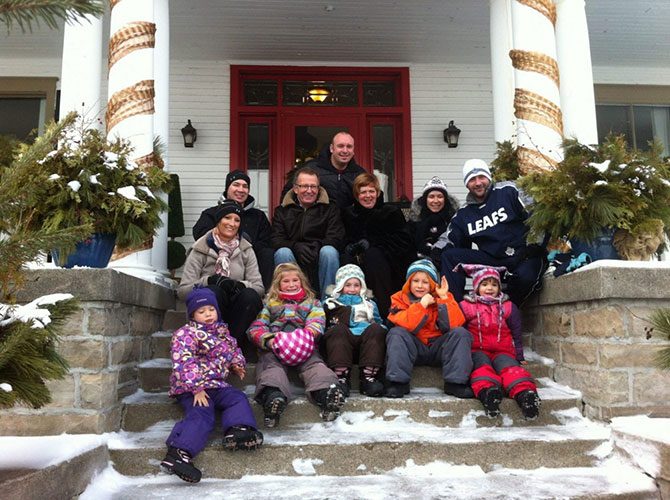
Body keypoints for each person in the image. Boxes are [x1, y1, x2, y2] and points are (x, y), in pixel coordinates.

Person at [161, 287, 263, 484]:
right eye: (201, 311)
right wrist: (197, 388)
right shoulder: (185, 334)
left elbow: (233, 349)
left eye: (211, 309)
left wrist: (237, 365)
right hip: (191, 387)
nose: (208, 314)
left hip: (216, 384)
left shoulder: (222, 332)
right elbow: (183, 362)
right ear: (192, 315)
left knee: (237, 398)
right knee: (202, 412)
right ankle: (179, 452)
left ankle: (238, 429)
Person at [432, 159, 546, 305]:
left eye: (481, 177)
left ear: (489, 177)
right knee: (449, 256)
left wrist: (535, 244)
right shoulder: (464, 214)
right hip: (493, 260)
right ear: (467, 184)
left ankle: (508, 311)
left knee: (526, 278)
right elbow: (450, 237)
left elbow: (537, 214)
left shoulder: (509, 191)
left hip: (524, 255)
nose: (478, 183)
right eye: (472, 179)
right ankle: (457, 311)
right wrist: (437, 250)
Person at [247, 263, 347, 427]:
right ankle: (273, 397)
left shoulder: (312, 303)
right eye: (286, 281)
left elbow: (317, 321)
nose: (292, 284)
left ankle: (326, 394)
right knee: (270, 367)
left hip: (304, 347)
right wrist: (269, 340)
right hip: (276, 347)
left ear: (302, 282)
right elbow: (257, 327)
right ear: (278, 284)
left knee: (316, 367)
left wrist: (308, 335)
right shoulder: (270, 305)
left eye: (295, 280)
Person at [178, 200, 264, 356]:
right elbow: (183, 291)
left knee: (250, 296)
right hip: (210, 312)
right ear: (218, 220)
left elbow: (259, 288)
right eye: (227, 218)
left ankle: (232, 348)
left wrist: (240, 285)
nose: (232, 223)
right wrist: (208, 281)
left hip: (239, 313)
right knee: (212, 292)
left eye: (237, 220)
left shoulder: (246, 249)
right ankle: (213, 346)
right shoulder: (200, 248)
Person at [456, 264, 541, 420]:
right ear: (476, 287)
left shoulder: (508, 307)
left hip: (503, 350)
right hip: (477, 350)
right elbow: (458, 330)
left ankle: (526, 396)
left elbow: (516, 332)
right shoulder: (467, 306)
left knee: (511, 368)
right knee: (481, 367)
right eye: (485, 284)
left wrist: (519, 356)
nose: (490, 288)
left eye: (494, 284)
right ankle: (488, 394)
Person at [384, 259, 474, 399]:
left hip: (438, 347)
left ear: (432, 284)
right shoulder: (398, 299)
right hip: (414, 346)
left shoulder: (444, 296)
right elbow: (408, 325)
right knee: (396, 333)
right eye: (415, 281)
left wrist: (443, 298)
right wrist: (422, 305)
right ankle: (398, 382)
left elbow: (454, 325)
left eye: (425, 282)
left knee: (460, 333)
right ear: (409, 283)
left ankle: (456, 383)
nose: (420, 286)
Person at [341, 172, 415, 318]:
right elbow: (344, 238)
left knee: (373, 256)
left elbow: (402, 241)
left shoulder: (390, 212)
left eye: (371, 191)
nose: (368, 196)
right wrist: (351, 246)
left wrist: (372, 244)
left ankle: (385, 312)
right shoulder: (349, 214)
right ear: (356, 195)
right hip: (357, 262)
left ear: (378, 192)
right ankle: (347, 312)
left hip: (388, 262)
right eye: (363, 192)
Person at [192, 170, 274, 288]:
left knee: (267, 253)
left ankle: (262, 293)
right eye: (236, 185)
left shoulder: (258, 216)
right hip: (218, 257)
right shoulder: (210, 213)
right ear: (227, 188)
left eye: (245, 186)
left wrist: (244, 250)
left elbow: (266, 240)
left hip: (250, 259)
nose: (241, 189)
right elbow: (200, 235)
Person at [272, 166, 344, 298]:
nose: (309, 191)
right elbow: (276, 239)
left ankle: (329, 303)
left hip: (320, 258)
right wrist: (295, 246)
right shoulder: (282, 211)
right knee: (282, 252)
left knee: (329, 251)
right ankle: (290, 301)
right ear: (295, 189)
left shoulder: (330, 209)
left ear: (318, 188)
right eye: (304, 186)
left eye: (313, 186)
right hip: (293, 257)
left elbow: (336, 237)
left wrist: (318, 245)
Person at [322, 264, 387, 397]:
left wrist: (380, 329)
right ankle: (341, 377)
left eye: (356, 285)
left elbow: (378, 321)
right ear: (340, 286)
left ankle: (368, 377)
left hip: (365, 344)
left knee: (376, 329)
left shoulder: (369, 304)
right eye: (348, 285)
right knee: (337, 330)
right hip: (342, 344)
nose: (352, 289)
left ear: (361, 286)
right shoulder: (331, 303)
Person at [282, 131, 366, 209]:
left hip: (348, 224)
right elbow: (288, 196)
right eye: (340, 146)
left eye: (349, 146)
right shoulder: (311, 168)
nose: (345, 150)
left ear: (353, 150)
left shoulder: (360, 174)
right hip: (316, 223)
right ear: (331, 148)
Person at [407, 176, 459, 262]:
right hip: (419, 264)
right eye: (431, 196)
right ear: (425, 199)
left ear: (445, 200)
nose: (435, 201)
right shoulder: (415, 220)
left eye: (440, 196)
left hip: (448, 263)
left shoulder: (454, 220)